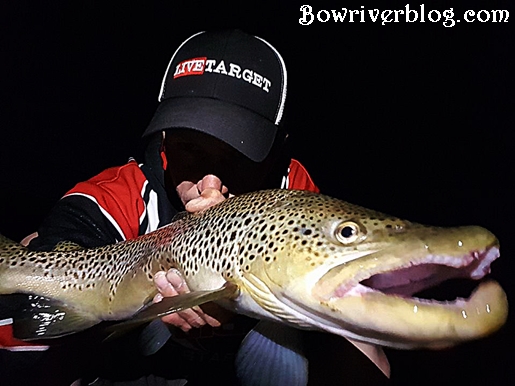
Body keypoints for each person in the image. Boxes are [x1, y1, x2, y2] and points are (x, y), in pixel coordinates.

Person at [0, 30, 388, 385]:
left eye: (238, 158)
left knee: (366, 351)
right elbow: (58, 252)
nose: (210, 185)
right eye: (190, 151)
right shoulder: (112, 195)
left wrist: (242, 318)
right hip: (129, 357)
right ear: (164, 136)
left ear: (275, 152)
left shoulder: (297, 195)